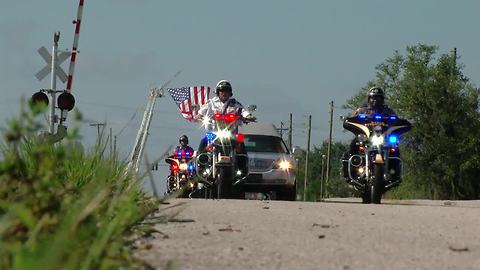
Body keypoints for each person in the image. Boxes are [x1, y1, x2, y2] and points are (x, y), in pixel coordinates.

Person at [194, 80, 256, 176]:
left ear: (230, 93)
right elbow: (201, 112)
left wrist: (248, 116)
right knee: (204, 141)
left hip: (231, 134)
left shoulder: (235, 104)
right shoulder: (211, 103)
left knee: (241, 141)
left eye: (226, 90)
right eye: (222, 90)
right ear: (218, 92)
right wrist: (198, 115)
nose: (224, 93)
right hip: (214, 133)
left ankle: (243, 170)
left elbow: (243, 111)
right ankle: (200, 166)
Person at [342, 87, 398, 179]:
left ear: (382, 100)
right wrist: (348, 120)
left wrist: (401, 122)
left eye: (378, 98)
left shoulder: (388, 111)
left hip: (383, 138)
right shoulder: (362, 111)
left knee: (395, 147)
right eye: (373, 98)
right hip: (366, 137)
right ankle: (352, 167)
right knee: (354, 143)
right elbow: (352, 118)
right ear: (369, 99)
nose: (375, 100)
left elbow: (397, 120)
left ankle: (394, 171)